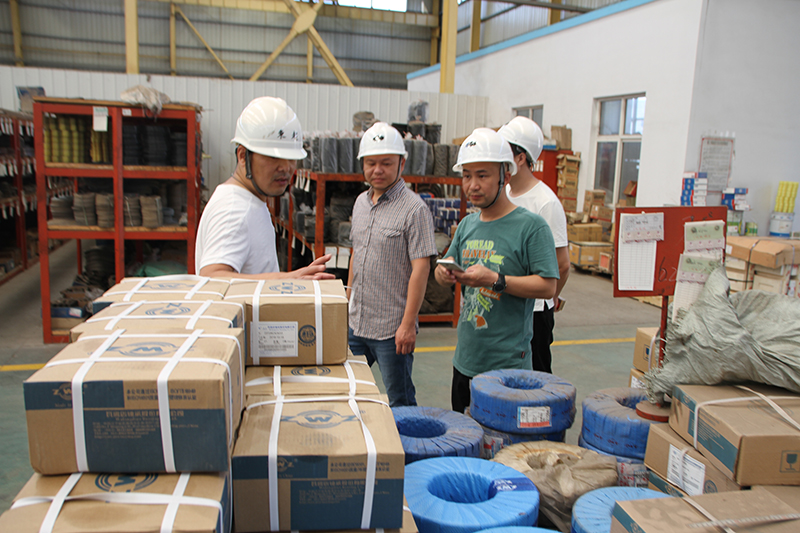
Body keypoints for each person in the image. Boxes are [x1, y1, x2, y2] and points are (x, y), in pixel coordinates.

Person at [434, 128, 559, 412]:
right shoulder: (467, 225)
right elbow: (445, 268)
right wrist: (443, 275)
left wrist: (495, 279)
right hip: (465, 361)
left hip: (507, 368)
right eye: (467, 176)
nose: (472, 185)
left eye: (483, 175)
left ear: (506, 175)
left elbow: (548, 286)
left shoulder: (531, 227)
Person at [347, 122, 437, 407]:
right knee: (348, 390)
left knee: (400, 400)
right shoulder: (360, 203)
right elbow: (356, 254)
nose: (378, 170)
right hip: (356, 323)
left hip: (391, 330)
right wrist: (347, 300)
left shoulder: (414, 209)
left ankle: (406, 437)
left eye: (386, 163)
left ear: (402, 163)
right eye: (371, 163)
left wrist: (407, 325)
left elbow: (421, 269)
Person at [196, 96, 332, 280]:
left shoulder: (248, 201)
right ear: (243, 156)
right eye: (273, 157)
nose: (285, 168)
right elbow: (212, 277)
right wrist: (287, 279)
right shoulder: (234, 210)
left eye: (291, 158)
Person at [499, 116, 570, 374]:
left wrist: (548, 297)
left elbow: (562, 264)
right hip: (506, 302)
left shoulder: (545, 203)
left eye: (504, 151)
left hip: (535, 312)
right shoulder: (504, 194)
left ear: (521, 158)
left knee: (535, 378)